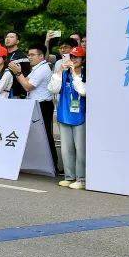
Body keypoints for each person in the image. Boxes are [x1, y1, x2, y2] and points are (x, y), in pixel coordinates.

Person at [14, 46, 60, 176]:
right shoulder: (37, 68)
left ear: (41, 56)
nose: (30, 57)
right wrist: (21, 75)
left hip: (43, 105)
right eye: (28, 54)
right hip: (36, 104)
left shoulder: (43, 69)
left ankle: (53, 166)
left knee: (46, 135)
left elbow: (27, 86)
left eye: (33, 54)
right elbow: (26, 82)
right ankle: (42, 164)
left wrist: (18, 73)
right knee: (38, 135)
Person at [49, 45, 86, 189]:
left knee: (80, 148)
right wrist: (59, 71)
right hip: (64, 114)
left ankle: (81, 179)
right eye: (72, 57)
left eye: (77, 57)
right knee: (66, 149)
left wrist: (75, 74)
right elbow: (53, 89)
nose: (74, 59)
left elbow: (83, 91)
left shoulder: (85, 73)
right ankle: (69, 177)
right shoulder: (63, 73)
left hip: (80, 115)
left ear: (83, 59)